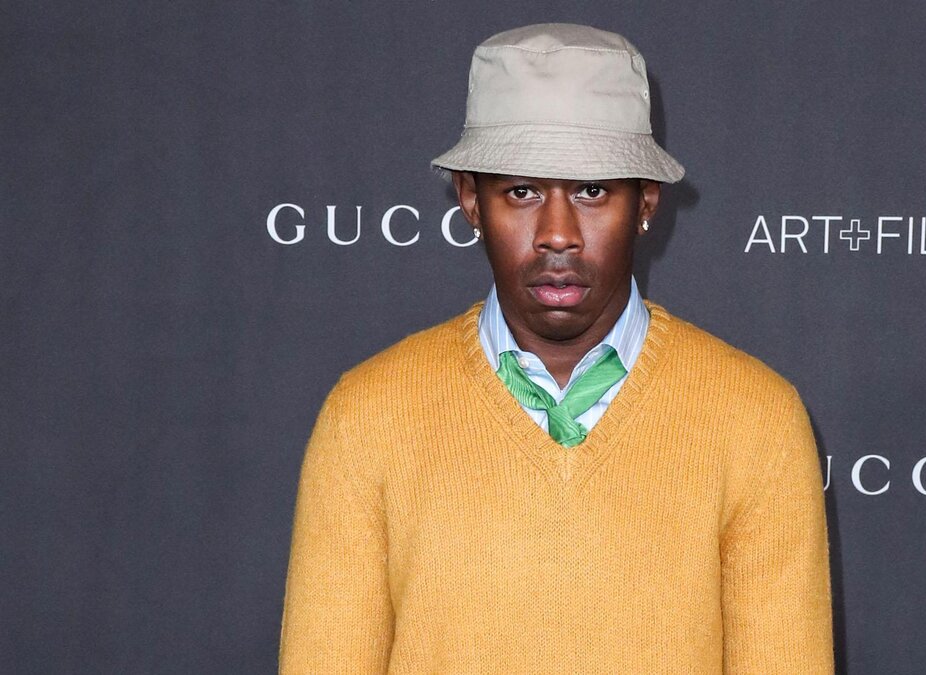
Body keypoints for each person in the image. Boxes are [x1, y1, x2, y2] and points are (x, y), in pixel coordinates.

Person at [278, 22, 834, 673]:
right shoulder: (368, 417)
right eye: (523, 191)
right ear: (470, 200)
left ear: (647, 200)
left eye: (592, 190)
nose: (558, 233)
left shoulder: (756, 420)